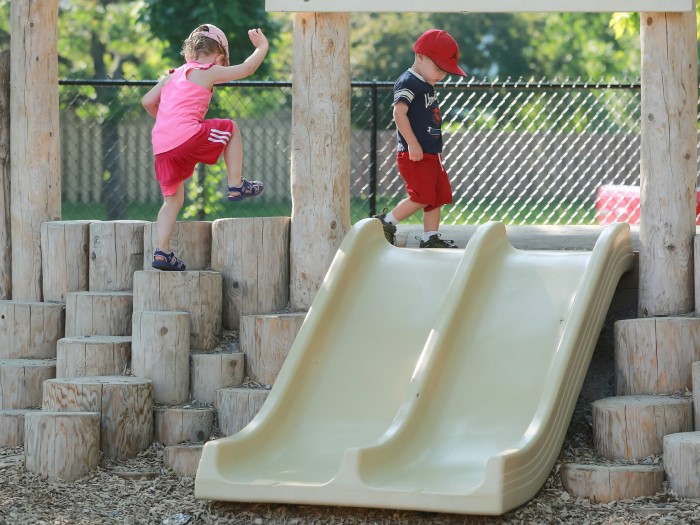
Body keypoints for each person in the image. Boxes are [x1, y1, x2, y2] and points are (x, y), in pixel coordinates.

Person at [142, 24, 268, 271]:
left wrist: (166, 120)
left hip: (162, 146)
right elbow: (247, 68)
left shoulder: (172, 76)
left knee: (172, 201)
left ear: (190, 52)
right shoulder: (207, 71)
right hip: (187, 136)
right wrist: (262, 47)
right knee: (231, 128)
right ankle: (236, 184)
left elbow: (147, 101)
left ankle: (162, 252)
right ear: (219, 56)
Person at [374, 29, 467, 248]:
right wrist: (412, 143)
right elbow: (399, 113)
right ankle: (385, 223)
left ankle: (430, 237)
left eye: (446, 71)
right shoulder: (409, 82)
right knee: (422, 195)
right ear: (420, 57)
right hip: (414, 153)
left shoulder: (427, 83)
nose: (442, 75)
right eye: (438, 68)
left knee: (436, 196)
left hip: (431, 153)